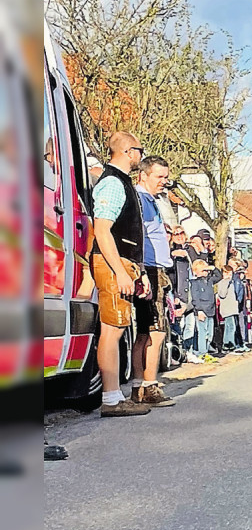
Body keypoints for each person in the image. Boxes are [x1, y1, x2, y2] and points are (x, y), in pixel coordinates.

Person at [90, 132, 153, 417]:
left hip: (124, 263)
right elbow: (102, 230)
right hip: (113, 263)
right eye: (139, 149)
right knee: (112, 329)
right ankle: (112, 398)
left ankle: (114, 395)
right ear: (129, 151)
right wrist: (120, 271)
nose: (141, 154)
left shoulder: (121, 183)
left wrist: (138, 272)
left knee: (116, 328)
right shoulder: (114, 183)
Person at [129, 155, 176, 408]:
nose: (164, 182)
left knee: (148, 330)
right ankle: (148, 385)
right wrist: (143, 270)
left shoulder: (151, 200)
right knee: (154, 331)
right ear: (143, 175)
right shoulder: (140, 200)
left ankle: (142, 385)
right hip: (149, 268)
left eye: (166, 177)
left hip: (156, 267)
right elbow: (139, 235)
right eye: (159, 177)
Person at [186, 259, 220, 363]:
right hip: (202, 311)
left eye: (206, 270)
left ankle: (207, 350)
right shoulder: (195, 283)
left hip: (211, 310)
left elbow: (219, 276)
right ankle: (202, 353)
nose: (205, 272)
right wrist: (199, 310)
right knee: (202, 333)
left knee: (209, 334)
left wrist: (212, 268)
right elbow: (195, 298)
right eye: (202, 270)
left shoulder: (210, 281)